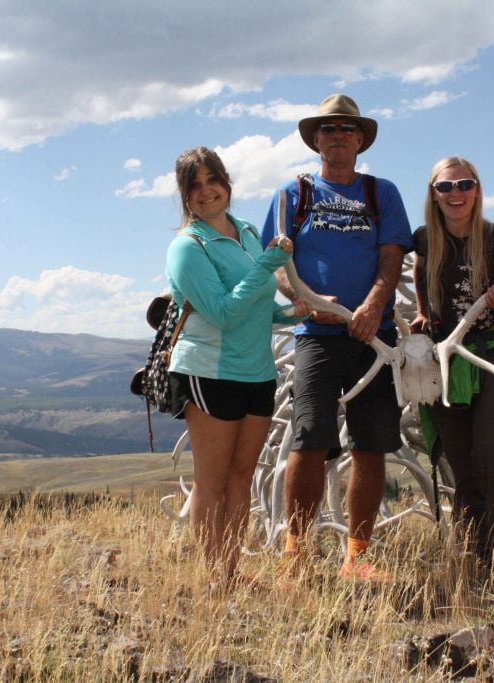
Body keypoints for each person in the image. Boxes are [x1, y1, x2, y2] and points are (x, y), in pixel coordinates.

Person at [261, 94, 413, 580]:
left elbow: (392, 258)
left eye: (347, 128)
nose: (338, 136)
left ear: (361, 138)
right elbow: (277, 262)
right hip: (316, 336)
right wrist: (301, 297)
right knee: (307, 440)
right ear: (316, 139)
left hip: (374, 337)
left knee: (370, 446)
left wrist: (372, 306)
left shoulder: (380, 193)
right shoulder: (293, 194)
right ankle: (296, 552)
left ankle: (358, 556)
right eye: (328, 129)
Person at [165, 147, 306, 588]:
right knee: (212, 480)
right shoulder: (187, 248)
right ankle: (216, 578)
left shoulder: (245, 232)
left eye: (213, 180)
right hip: (210, 372)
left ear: (226, 182)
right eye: (195, 185)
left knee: (242, 476)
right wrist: (267, 262)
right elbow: (224, 312)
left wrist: (291, 315)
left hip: (258, 372)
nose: (206, 191)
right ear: (185, 196)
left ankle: (231, 571)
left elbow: (256, 306)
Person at [410, 156, 494, 578]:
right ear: (433, 194)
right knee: (460, 458)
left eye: (464, 185)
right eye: (445, 187)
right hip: (445, 357)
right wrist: (420, 314)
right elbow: (419, 279)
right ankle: (472, 554)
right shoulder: (424, 239)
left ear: (477, 190)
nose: (456, 194)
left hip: (492, 351)